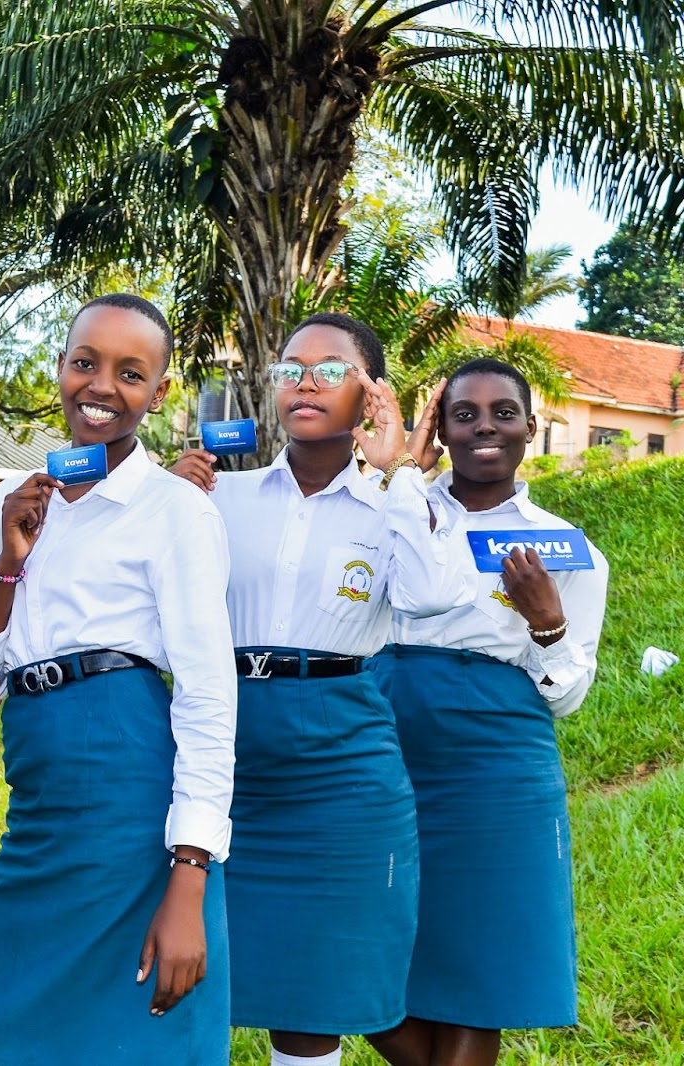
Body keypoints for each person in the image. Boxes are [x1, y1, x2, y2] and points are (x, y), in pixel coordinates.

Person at [0, 294, 237, 1066]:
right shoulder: (17, 502)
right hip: (40, 801)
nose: (101, 386)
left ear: (159, 393)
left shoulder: (176, 511)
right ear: (60, 369)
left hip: (129, 792)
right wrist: (10, 558)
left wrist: (189, 873)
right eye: (85, 363)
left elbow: (207, 692)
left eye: (130, 373)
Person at [170, 312, 470, 1066]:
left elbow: (431, 596)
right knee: (185, 979)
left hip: (342, 762)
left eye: (332, 369)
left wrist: (397, 472)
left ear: (373, 392)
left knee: (318, 999)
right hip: (224, 750)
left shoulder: (398, 503)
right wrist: (164, 504)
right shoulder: (219, 497)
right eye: (291, 369)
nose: (305, 382)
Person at [363, 358, 607, 1066]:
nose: (485, 428)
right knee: (354, 951)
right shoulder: (394, 507)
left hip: (497, 766)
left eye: (504, 413)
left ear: (531, 427)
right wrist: (398, 477)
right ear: (439, 429)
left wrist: (548, 624)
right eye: (464, 414)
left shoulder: (567, 549)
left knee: (479, 964)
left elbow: (568, 694)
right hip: (381, 741)